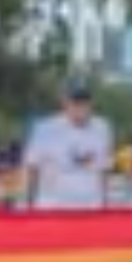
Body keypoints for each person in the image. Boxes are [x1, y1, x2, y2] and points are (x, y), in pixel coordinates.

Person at [22, 82, 113, 210]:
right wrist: (28, 204)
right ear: (65, 104)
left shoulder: (102, 128)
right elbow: (32, 168)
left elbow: (104, 169)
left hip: (89, 205)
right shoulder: (45, 129)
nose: (80, 107)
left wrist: (105, 204)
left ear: (91, 104)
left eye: (84, 102)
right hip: (54, 206)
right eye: (75, 102)